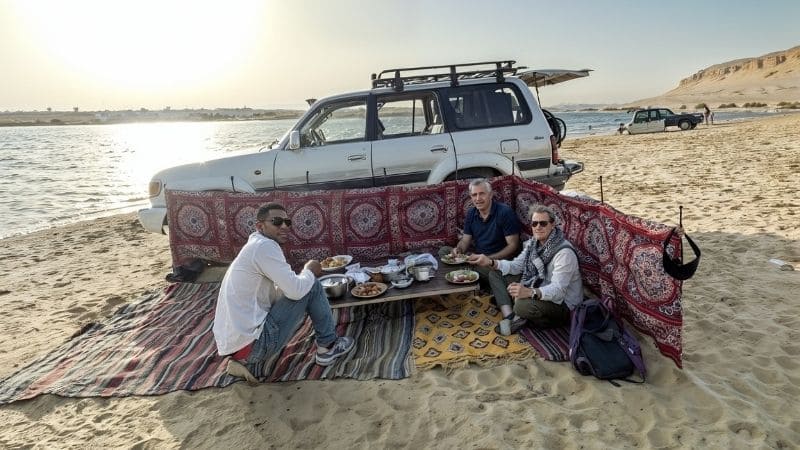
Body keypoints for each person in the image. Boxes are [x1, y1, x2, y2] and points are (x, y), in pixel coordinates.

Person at [213, 202, 354, 383]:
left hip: (235, 346)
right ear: (260, 226)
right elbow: (295, 292)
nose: (284, 226)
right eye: (277, 221)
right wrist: (309, 270)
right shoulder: (264, 247)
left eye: (287, 222)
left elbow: (282, 290)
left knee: (301, 282)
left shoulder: (256, 245)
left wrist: (301, 279)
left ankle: (243, 361)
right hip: (255, 346)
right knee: (311, 285)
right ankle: (328, 346)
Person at [467, 204, 583, 335]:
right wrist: (490, 262)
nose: (538, 227)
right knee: (495, 274)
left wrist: (529, 292)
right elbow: (516, 266)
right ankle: (510, 317)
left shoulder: (564, 253)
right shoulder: (533, 244)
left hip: (562, 305)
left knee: (522, 305)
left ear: (552, 225)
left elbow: (558, 290)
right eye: (535, 224)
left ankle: (525, 314)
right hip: (538, 286)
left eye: (543, 223)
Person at [442, 178, 521, 308]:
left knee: (492, 275)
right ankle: (472, 279)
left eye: (482, 193)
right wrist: (459, 250)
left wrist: (488, 259)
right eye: (474, 195)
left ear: (490, 195)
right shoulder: (472, 213)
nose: (478, 198)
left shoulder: (504, 212)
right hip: (477, 260)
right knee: (445, 251)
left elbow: (513, 246)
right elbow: (465, 240)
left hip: (496, 264)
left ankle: (488, 288)